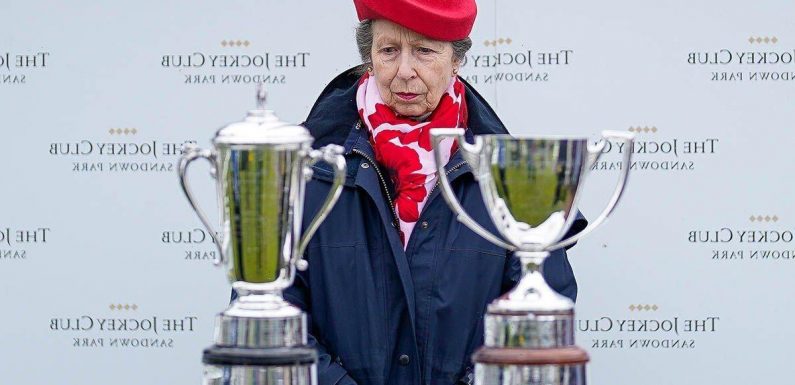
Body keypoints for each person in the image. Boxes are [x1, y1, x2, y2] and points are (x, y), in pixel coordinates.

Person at [284, 1, 586, 385]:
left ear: (456, 58)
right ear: (370, 57)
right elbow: (276, 310)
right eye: (389, 50)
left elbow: (544, 313)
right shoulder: (308, 166)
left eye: (425, 50)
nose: (405, 71)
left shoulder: (512, 174)